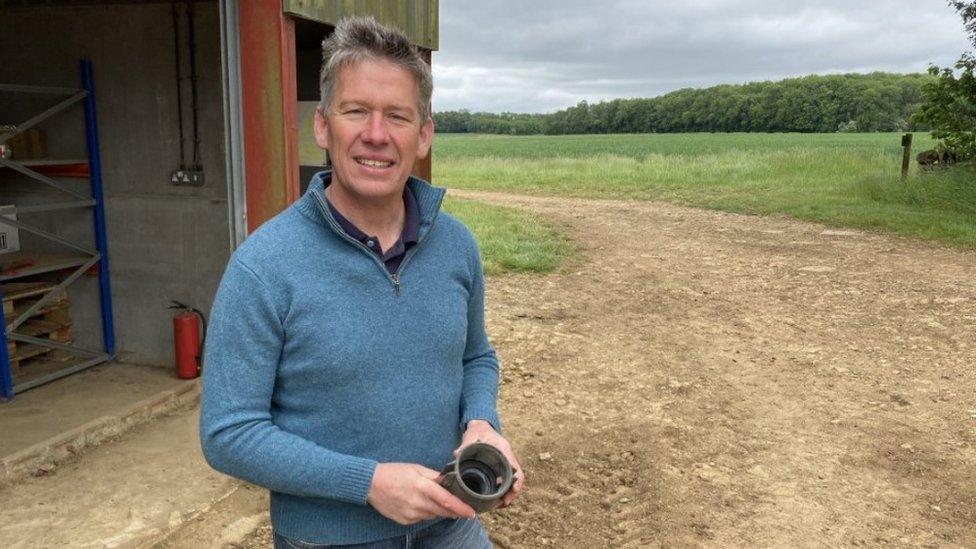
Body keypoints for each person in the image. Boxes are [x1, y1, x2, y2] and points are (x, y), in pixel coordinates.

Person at [199, 16, 522, 549]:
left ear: (423, 136)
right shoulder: (264, 266)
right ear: (323, 127)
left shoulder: (456, 245)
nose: (377, 134)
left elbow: (475, 357)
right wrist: (368, 483)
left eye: (397, 116)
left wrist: (482, 423)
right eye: (357, 112)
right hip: (330, 537)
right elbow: (228, 434)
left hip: (451, 522)